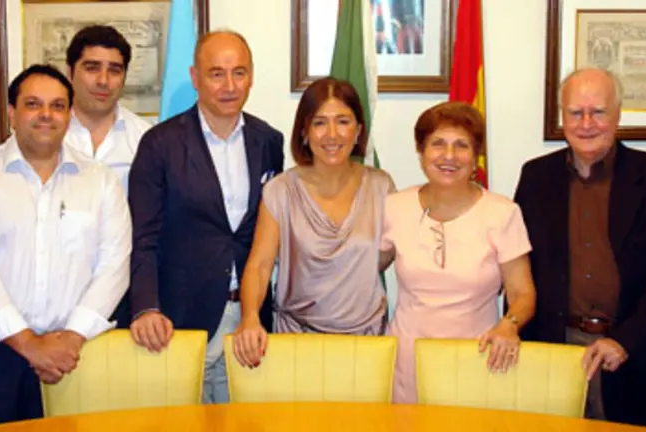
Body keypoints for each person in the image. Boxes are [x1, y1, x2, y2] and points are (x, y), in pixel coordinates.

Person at [0, 64, 131, 429]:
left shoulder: (100, 182)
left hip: (76, 358)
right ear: (12, 114)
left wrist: (72, 338)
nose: (46, 115)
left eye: (58, 105)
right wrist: (29, 343)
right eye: (33, 104)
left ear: (69, 114)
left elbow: (115, 265)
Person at [514, 67, 646, 425]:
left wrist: (625, 341)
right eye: (576, 113)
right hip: (553, 350)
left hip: (627, 355)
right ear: (562, 117)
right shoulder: (535, 177)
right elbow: (520, 268)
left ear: (618, 114)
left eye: (599, 112)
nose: (587, 123)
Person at [127, 31, 284, 404]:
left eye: (239, 73)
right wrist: (146, 306)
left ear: (251, 76)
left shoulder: (269, 141)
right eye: (216, 74)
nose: (229, 86)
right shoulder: (159, 144)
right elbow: (142, 236)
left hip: (248, 320)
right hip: (177, 319)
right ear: (195, 77)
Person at [231, 77, 396, 368]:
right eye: (320, 123)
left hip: (367, 345)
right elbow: (259, 265)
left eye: (343, 121)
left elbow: (391, 254)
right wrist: (249, 319)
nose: (332, 134)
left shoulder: (381, 187)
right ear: (304, 132)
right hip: (297, 342)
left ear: (358, 131)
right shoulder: (281, 190)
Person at [380, 101, 536, 403]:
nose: (449, 156)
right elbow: (363, 269)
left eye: (461, 145)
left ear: (476, 155)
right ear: (421, 152)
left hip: (478, 359)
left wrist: (509, 324)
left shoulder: (502, 213)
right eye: (437, 144)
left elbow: (523, 294)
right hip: (405, 362)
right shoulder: (394, 207)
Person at [62, 25, 150, 328]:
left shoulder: (147, 141)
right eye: (91, 68)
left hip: (122, 293)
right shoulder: (46, 136)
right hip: (53, 290)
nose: (103, 80)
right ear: (69, 71)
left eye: (114, 70)